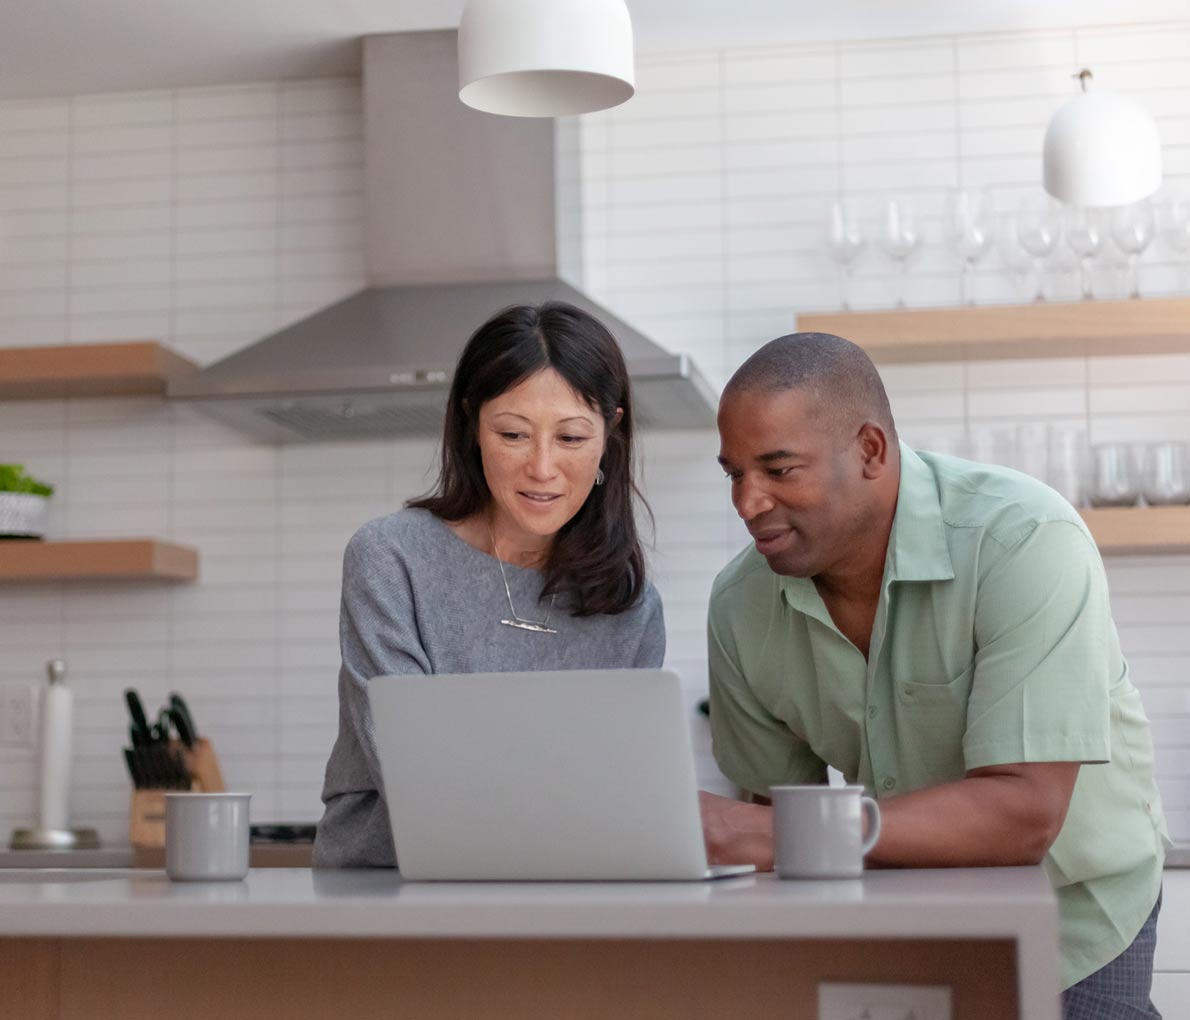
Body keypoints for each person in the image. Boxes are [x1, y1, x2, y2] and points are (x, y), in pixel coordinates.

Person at [700, 331, 1168, 1019]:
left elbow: (1024, 813)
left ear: (869, 450)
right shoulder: (740, 605)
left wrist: (764, 836)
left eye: (778, 469)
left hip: (1076, 907)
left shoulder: (1023, 538)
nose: (748, 502)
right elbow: (774, 826)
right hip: (906, 909)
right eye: (734, 473)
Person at [314, 301, 666, 868]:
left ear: (610, 434)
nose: (543, 468)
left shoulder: (630, 607)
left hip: (564, 892)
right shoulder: (391, 559)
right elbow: (409, 767)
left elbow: (621, 792)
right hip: (385, 893)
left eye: (572, 438)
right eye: (513, 434)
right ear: (472, 425)